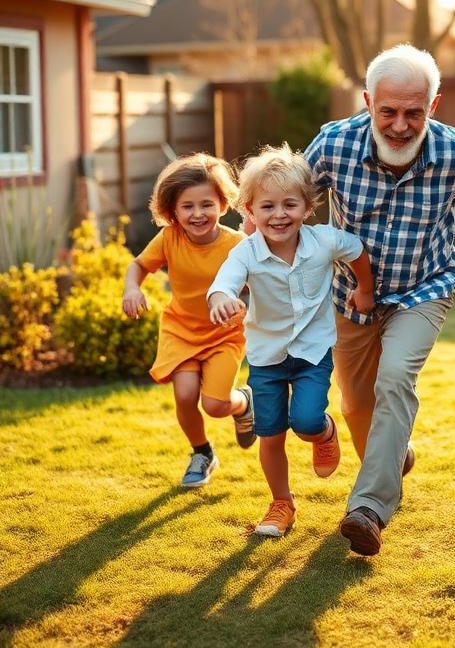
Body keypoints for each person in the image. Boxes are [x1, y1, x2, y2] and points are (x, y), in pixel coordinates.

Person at [304, 43, 455, 555]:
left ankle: (368, 508)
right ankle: (395, 456)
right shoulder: (333, 145)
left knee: (396, 378)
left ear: (432, 107)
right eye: (387, 111)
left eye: (413, 112)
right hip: (350, 294)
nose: (398, 124)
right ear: (368, 100)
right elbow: (294, 196)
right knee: (355, 404)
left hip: (426, 286)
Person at [207, 144, 375, 538]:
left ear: (307, 207)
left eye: (289, 205)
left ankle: (323, 431)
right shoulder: (245, 253)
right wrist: (222, 300)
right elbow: (224, 283)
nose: (278, 215)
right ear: (249, 211)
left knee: (305, 420)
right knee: (271, 432)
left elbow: (358, 250)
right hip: (266, 357)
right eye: (267, 207)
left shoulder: (323, 242)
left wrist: (364, 289)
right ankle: (281, 503)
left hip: (313, 353)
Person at [122, 153, 255, 488]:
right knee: (184, 395)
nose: (198, 214)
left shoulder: (237, 245)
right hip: (181, 330)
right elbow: (137, 266)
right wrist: (132, 289)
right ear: (172, 212)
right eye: (188, 207)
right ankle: (202, 453)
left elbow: (263, 287)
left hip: (224, 335)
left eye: (207, 204)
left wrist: (245, 308)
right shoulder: (169, 238)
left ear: (223, 204)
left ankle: (243, 404)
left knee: (215, 404)